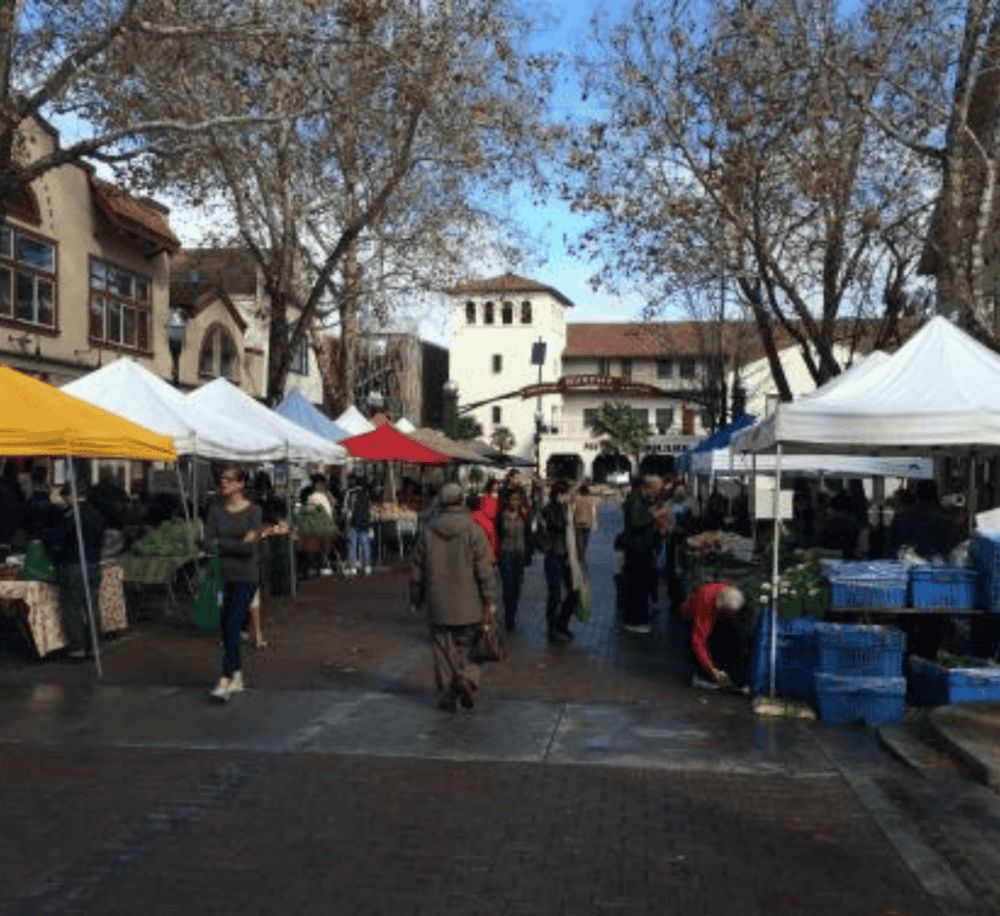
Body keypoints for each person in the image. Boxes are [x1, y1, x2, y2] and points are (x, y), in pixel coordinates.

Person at [410, 482, 496, 711]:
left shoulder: (427, 531)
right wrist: (488, 598)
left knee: (442, 648)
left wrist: (415, 597)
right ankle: (467, 679)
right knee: (473, 646)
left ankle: (449, 688)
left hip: (438, 603)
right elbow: (484, 570)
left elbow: (416, 569)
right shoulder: (472, 529)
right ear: (461, 501)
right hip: (470, 604)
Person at [203, 465, 262, 700]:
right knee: (226, 626)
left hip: (246, 576)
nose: (223, 484)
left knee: (234, 623)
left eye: (228, 480)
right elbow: (207, 542)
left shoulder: (254, 511)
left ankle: (225, 679)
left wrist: (221, 542)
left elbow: (249, 548)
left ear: (240, 484)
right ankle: (236, 675)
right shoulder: (215, 511)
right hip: (223, 576)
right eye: (222, 480)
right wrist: (234, 540)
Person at [51, 482, 106, 660]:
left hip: (73, 565)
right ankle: (95, 648)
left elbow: (59, 542)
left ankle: (77, 650)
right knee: (92, 608)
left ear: (71, 495)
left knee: (72, 609)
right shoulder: (96, 513)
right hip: (94, 564)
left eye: (65, 497)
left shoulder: (71, 515)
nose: (64, 501)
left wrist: (53, 554)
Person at [621, 475, 671, 634]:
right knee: (637, 587)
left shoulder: (641, 500)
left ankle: (638, 618)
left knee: (640, 586)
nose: (656, 494)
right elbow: (637, 523)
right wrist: (653, 516)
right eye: (656, 490)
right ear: (648, 487)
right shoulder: (636, 501)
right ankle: (634, 621)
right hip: (638, 551)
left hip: (641, 549)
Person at [680, 582, 747, 689]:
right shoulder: (706, 600)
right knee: (703, 645)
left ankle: (727, 675)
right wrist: (711, 669)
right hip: (694, 615)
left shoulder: (730, 593)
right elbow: (698, 641)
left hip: (716, 615)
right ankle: (702, 676)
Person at [539, 478, 577, 644]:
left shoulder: (565, 508)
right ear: (559, 494)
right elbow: (559, 524)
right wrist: (565, 508)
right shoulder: (549, 509)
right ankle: (552, 629)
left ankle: (562, 623)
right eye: (566, 493)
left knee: (574, 592)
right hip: (554, 555)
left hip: (567, 556)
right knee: (555, 595)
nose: (569, 496)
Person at [886, 478, 964, 559]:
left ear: (917, 493)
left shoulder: (902, 515)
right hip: (937, 565)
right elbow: (954, 549)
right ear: (936, 494)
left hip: (907, 563)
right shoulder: (946, 518)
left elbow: (891, 546)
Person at [496, 487, 527, 632]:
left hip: (520, 556)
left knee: (517, 587)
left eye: (518, 499)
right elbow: (499, 534)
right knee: (508, 586)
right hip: (506, 554)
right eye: (513, 499)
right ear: (508, 501)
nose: (516, 502)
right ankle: (509, 618)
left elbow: (530, 535)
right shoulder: (502, 516)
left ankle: (512, 612)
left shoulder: (524, 515)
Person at [346, 477, 372, 575]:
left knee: (353, 545)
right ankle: (367, 567)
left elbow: (348, 508)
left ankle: (353, 568)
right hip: (364, 522)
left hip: (353, 522)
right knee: (365, 545)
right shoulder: (366, 493)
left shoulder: (350, 493)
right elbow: (369, 508)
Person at [571, 482, 596, 573]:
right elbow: (593, 512)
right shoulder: (591, 500)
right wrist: (593, 522)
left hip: (578, 523)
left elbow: (573, 510)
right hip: (587, 523)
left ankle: (579, 555)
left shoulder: (576, 499)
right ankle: (583, 554)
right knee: (585, 540)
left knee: (578, 540)